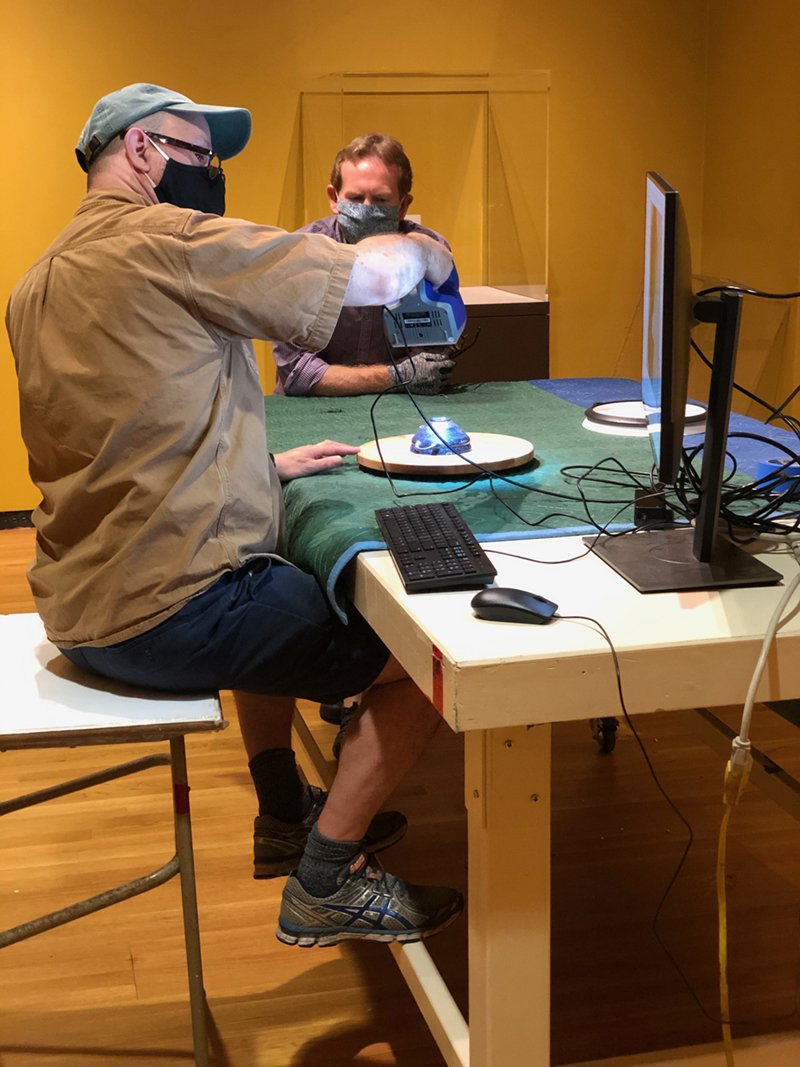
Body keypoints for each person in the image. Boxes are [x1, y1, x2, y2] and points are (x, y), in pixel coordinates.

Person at [6, 83, 463, 947]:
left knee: (275, 571)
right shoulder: (166, 239)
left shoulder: (39, 278)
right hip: (166, 611)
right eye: (199, 153)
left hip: (81, 603)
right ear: (141, 151)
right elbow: (377, 276)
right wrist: (425, 255)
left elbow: (121, 430)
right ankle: (329, 877)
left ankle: (285, 809)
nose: (213, 174)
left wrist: (260, 463)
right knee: (433, 648)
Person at [272, 132, 458, 397]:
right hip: (311, 411)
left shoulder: (429, 254)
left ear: (403, 205)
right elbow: (297, 373)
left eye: (381, 200)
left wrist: (411, 376)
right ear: (334, 198)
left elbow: (430, 368)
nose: (367, 208)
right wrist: (396, 376)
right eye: (356, 199)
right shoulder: (301, 253)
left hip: (402, 409)